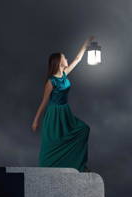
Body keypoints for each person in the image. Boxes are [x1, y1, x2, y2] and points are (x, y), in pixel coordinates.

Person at [31, 36, 95, 172]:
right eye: (64, 57)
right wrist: (36, 120)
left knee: (83, 129)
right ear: (59, 62)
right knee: (53, 144)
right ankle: (46, 168)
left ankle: (79, 165)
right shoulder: (51, 82)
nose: (66, 59)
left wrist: (85, 45)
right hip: (54, 115)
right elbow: (44, 101)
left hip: (65, 113)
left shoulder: (65, 74)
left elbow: (77, 59)